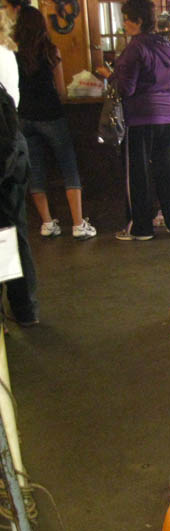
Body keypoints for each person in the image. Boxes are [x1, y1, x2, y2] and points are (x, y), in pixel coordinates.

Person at [96, 0, 170, 241]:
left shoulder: (135, 48)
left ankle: (141, 228)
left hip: (142, 117)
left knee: (138, 172)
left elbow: (127, 87)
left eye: (127, 19)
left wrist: (110, 76)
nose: (124, 24)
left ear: (139, 21)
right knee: (168, 172)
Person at [13, 4, 95, 240]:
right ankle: (78, 224)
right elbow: (61, 91)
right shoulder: (51, 51)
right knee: (68, 166)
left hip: (24, 117)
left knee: (35, 170)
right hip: (51, 116)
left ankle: (47, 223)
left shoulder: (12, 55)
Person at [0, 2, 39, 326]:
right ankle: (24, 308)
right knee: (12, 231)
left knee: (4, 233)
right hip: (13, 147)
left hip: (4, 146)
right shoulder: (8, 56)